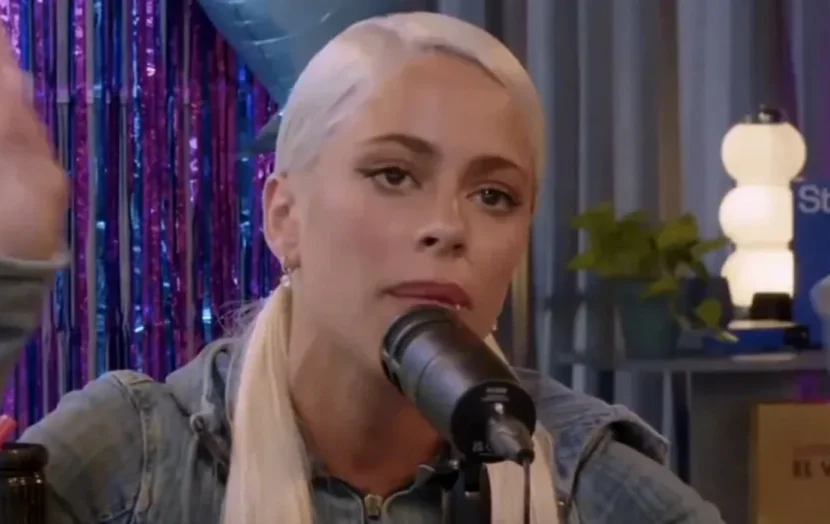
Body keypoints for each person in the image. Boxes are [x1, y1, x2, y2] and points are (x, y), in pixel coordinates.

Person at [0, 11, 725, 524]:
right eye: (394, 175)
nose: (449, 226)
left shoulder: (583, 473)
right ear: (284, 216)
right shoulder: (134, 458)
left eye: (494, 196)